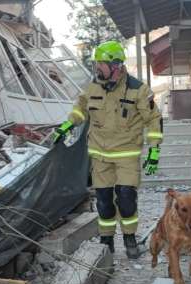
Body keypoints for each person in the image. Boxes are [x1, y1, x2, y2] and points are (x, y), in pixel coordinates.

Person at [52, 40, 163, 259]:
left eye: (100, 64)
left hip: (127, 155)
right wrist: (66, 126)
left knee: (126, 198)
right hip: (100, 155)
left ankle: (130, 240)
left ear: (115, 65)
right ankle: (107, 242)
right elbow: (80, 110)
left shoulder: (138, 90)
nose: (96, 68)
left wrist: (154, 152)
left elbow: (154, 119)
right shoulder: (92, 87)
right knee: (103, 200)